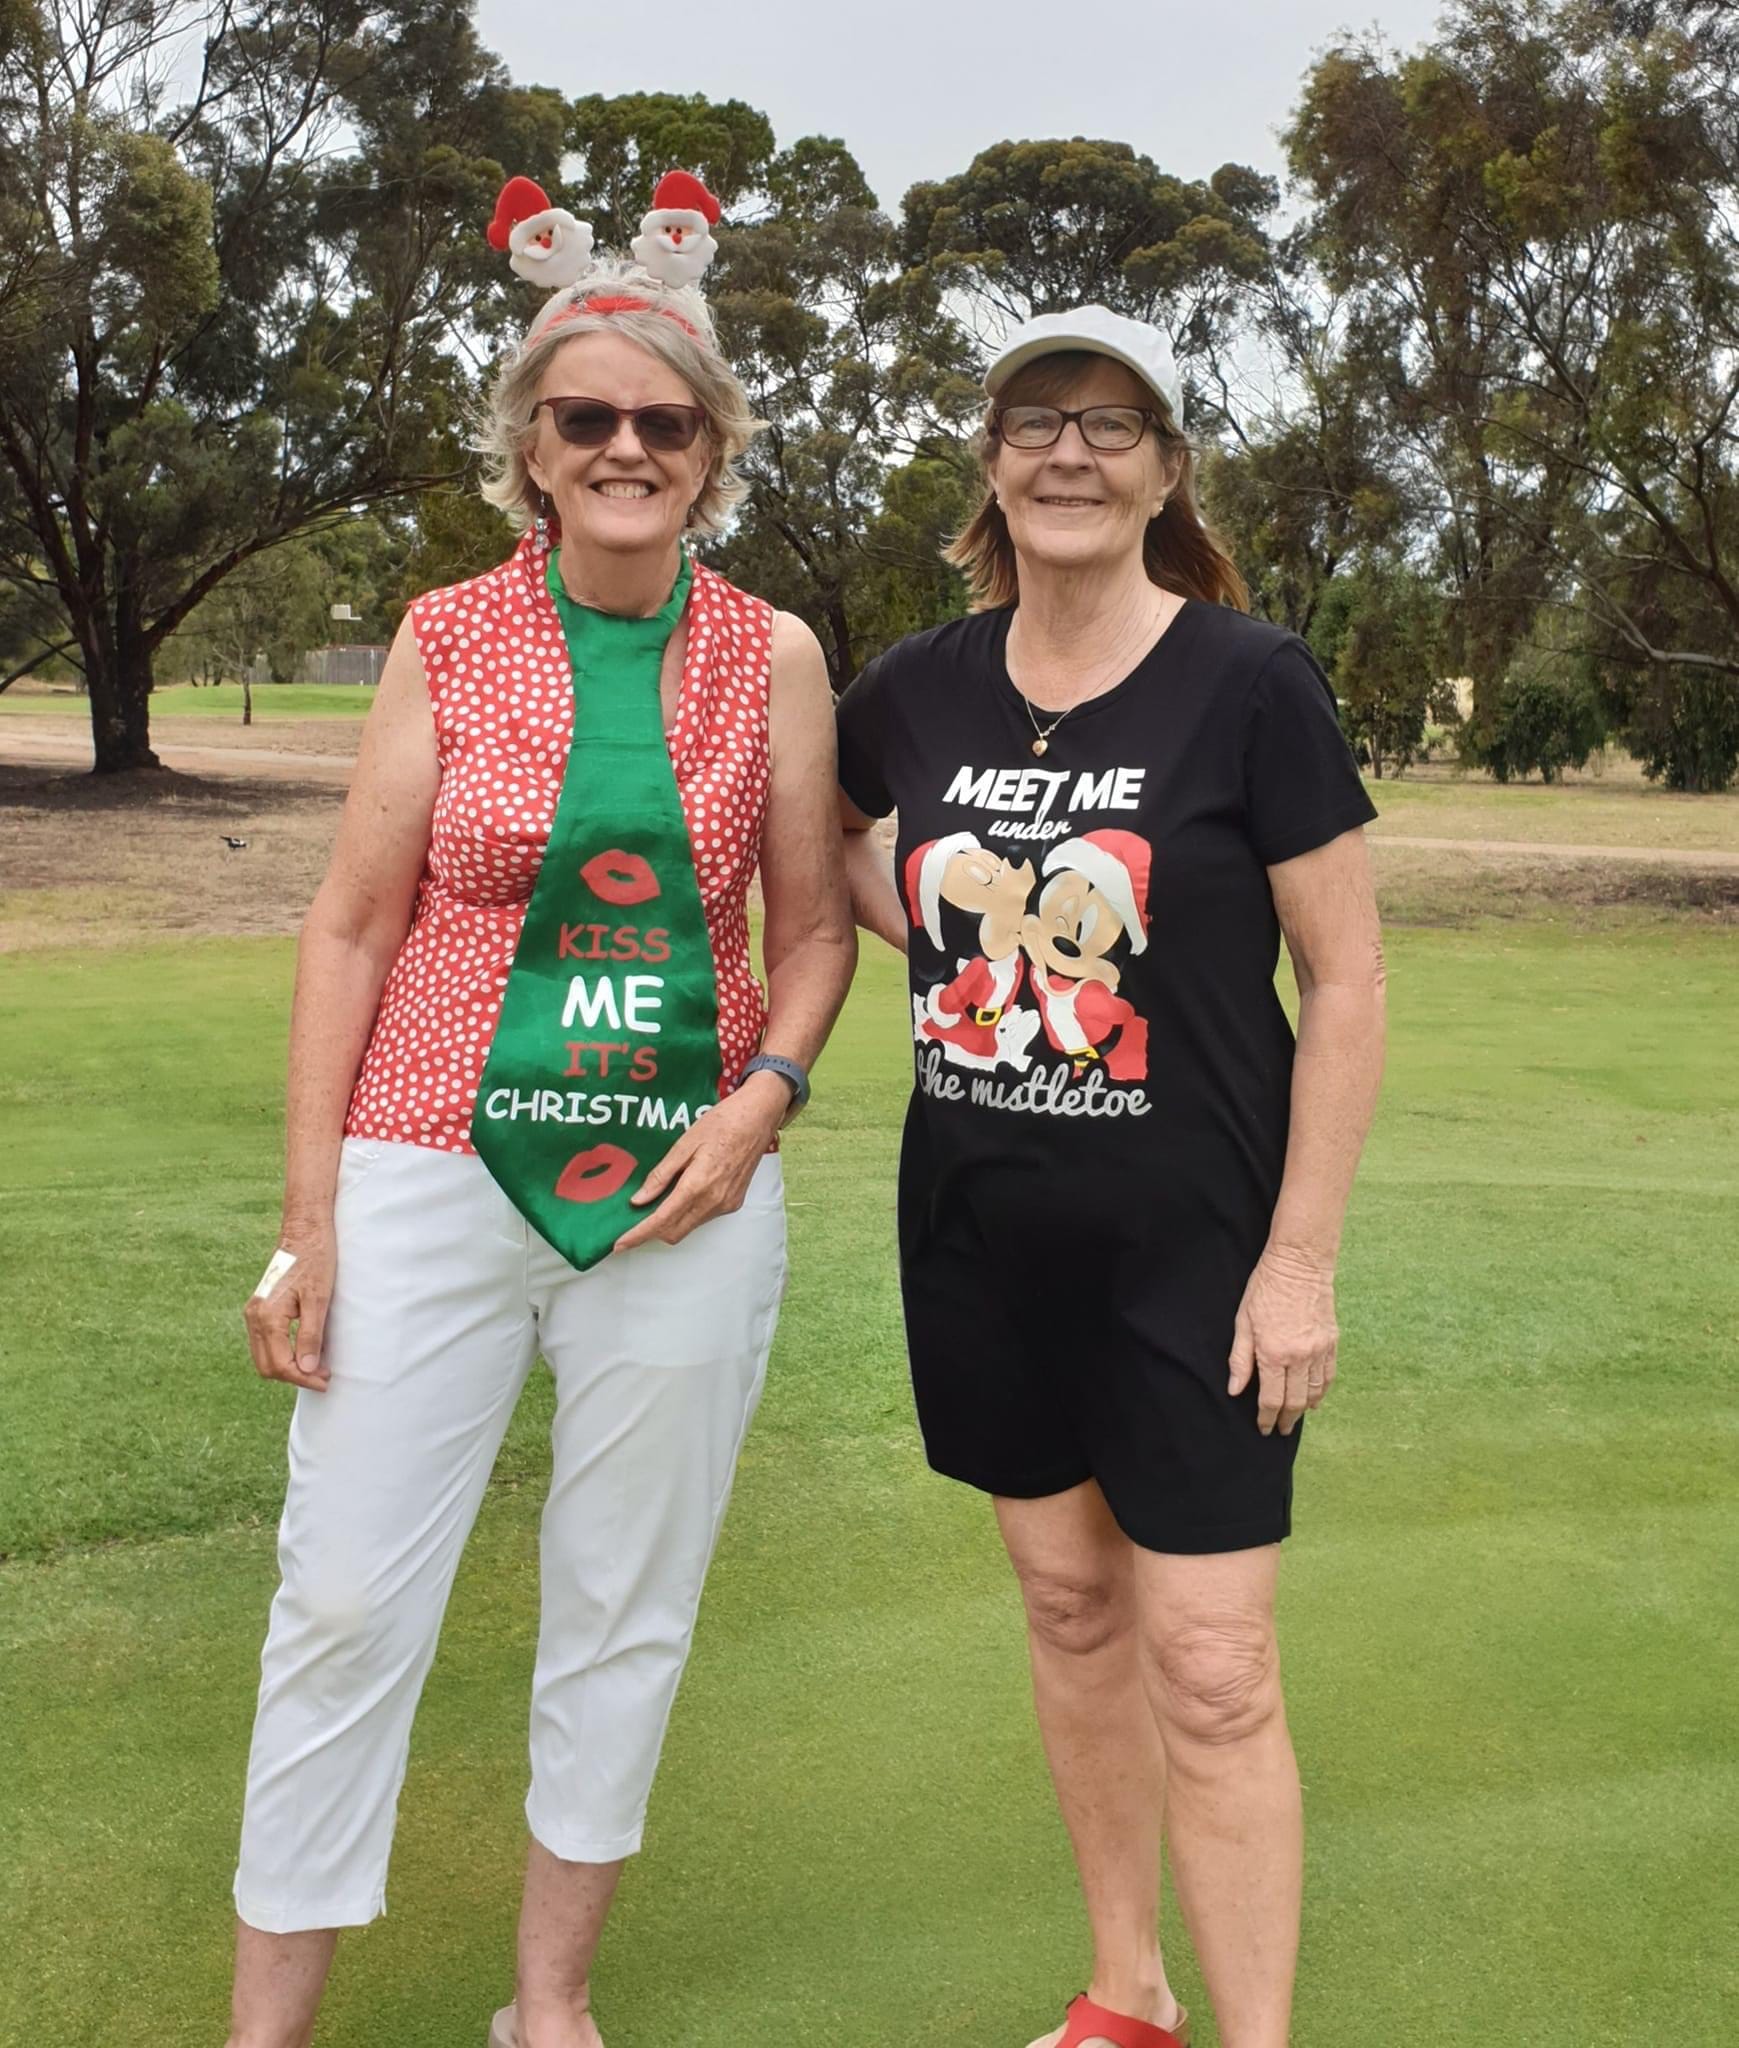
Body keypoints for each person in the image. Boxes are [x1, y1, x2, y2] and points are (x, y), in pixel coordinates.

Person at [231, 172, 855, 2048]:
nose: (624, 448)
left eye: (665, 421)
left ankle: (547, 2007)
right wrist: (310, 1224)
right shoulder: (441, 634)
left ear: (712, 452)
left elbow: (815, 930)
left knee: (623, 1606)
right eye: (586, 417)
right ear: (530, 445)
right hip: (428, 1169)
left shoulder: (775, 654)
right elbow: (352, 927)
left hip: (683, 1198)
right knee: (345, 1599)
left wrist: (761, 1106)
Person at [836, 306, 1386, 2048]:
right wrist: (964, 939)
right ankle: (1127, 1996)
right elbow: (830, 841)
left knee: (1212, 1669)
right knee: (1073, 1611)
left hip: (1199, 1262)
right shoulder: (913, 687)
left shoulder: (1250, 681)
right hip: (983, 1244)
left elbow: (1349, 981)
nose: (1069, 451)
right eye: (1036, 419)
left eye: (1112, 423)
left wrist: (1300, 1263)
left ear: (1166, 469)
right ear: (992, 461)